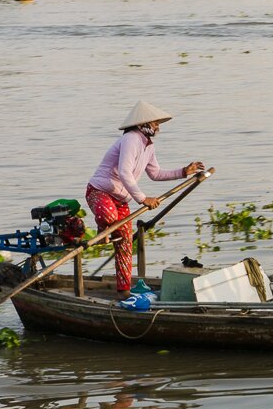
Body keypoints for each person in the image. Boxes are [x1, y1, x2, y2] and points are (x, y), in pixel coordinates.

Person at [86, 100, 204, 299]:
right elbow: (124, 172)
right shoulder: (131, 138)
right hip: (99, 192)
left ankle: (124, 290)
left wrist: (184, 172)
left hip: (121, 199)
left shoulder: (148, 146)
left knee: (124, 243)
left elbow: (155, 174)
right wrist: (142, 199)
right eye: (155, 123)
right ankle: (104, 229)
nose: (158, 127)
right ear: (143, 124)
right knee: (109, 215)